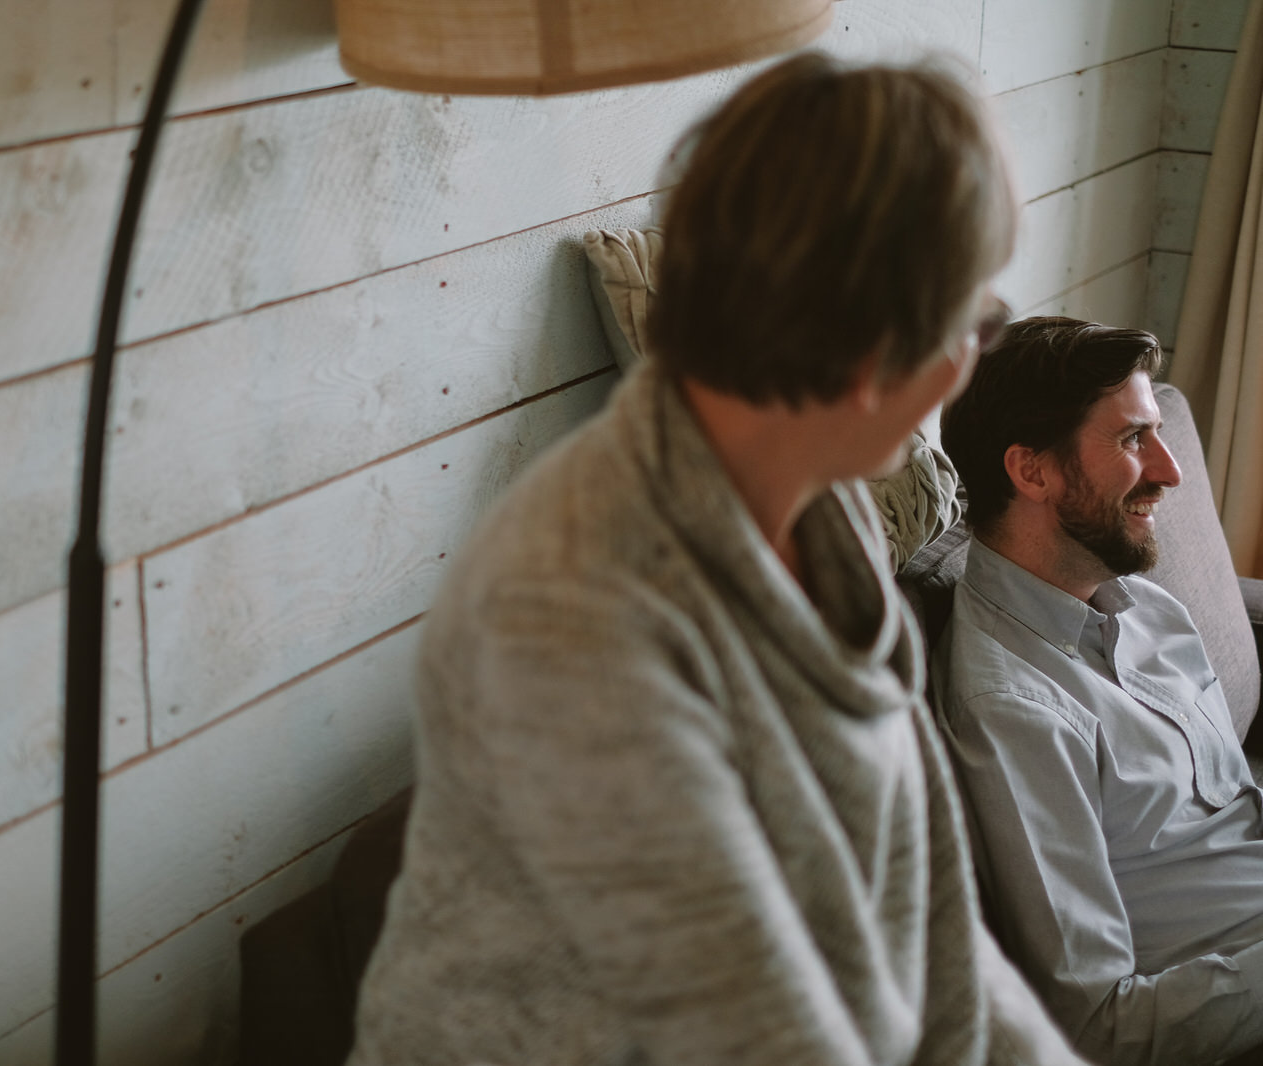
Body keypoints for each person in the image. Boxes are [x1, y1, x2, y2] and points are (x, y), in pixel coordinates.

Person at [345, 52, 1085, 1066]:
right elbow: (759, 1035)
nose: (972, 359)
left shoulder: (829, 519)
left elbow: (931, 926)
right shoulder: (571, 611)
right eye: (975, 322)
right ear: (870, 348)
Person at [934, 316, 1263, 1066]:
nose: (1171, 471)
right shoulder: (1013, 710)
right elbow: (1097, 1028)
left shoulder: (1143, 604)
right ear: (1033, 472)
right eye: (1134, 439)